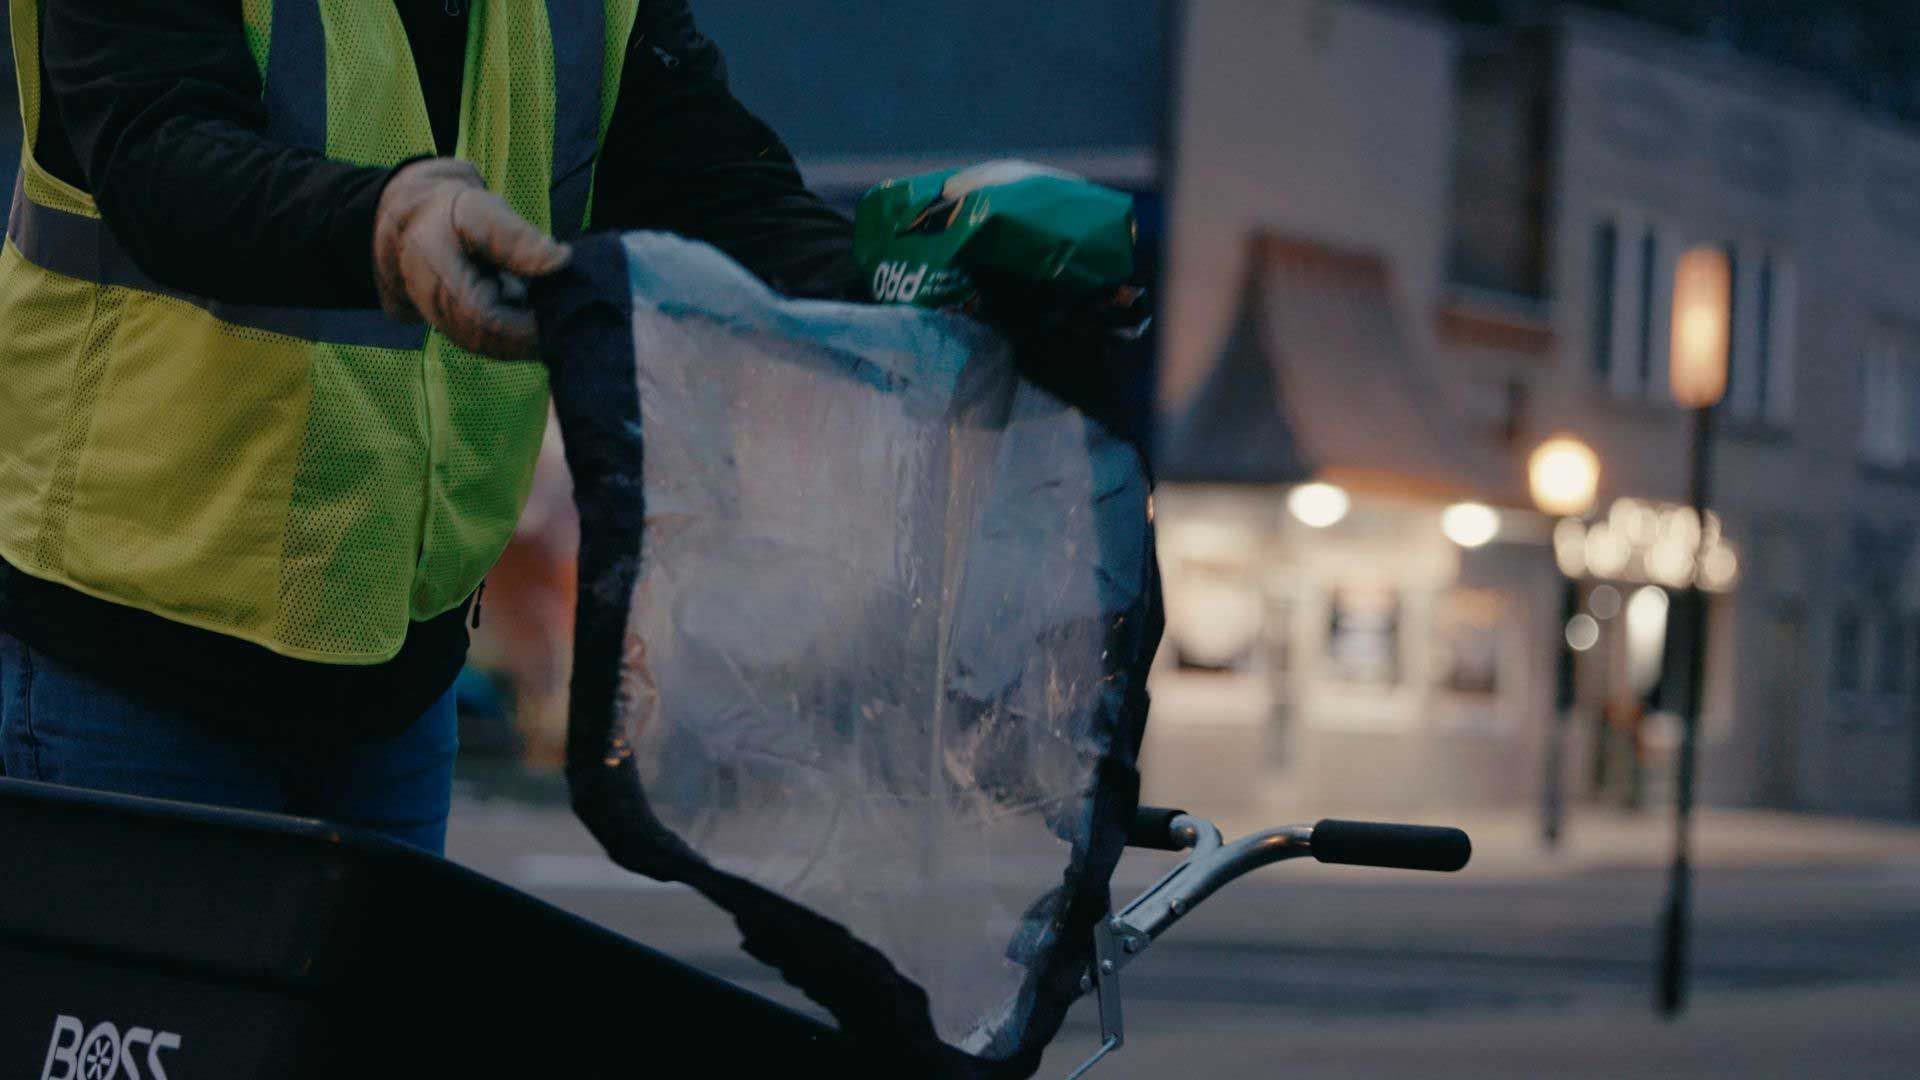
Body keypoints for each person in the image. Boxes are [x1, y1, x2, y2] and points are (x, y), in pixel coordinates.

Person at [0, 2, 871, 854]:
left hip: (394, 681)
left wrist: (923, 286)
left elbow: (717, 179)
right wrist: (385, 226)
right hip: (125, 661)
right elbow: (161, 154)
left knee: (363, 1004)